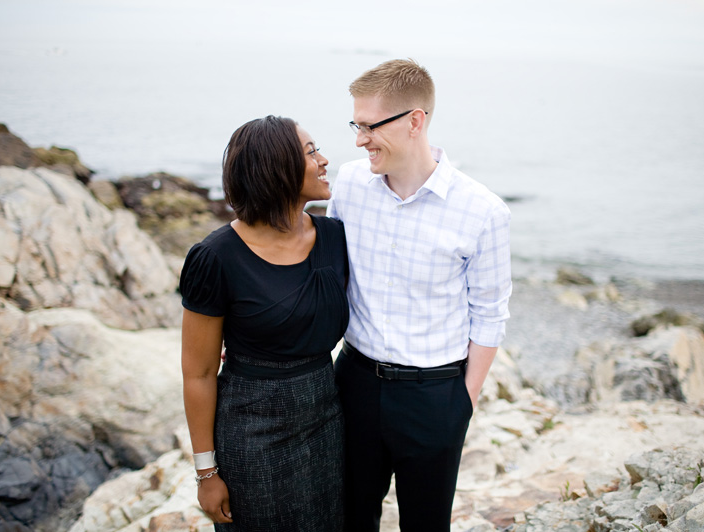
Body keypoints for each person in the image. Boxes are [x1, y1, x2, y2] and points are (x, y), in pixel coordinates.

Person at [327, 59, 512, 531]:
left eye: (369, 126)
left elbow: (489, 314)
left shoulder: (483, 211)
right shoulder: (348, 184)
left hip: (435, 397)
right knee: (347, 518)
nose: (358, 139)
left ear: (415, 120)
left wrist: (461, 404)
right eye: (356, 124)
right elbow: (326, 275)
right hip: (355, 383)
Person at [180, 115, 348, 531]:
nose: (324, 160)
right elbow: (198, 372)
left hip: (328, 419)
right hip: (253, 431)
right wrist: (206, 473)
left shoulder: (335, 237)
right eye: (311, 152)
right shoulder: (216, 257)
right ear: (278, 167)